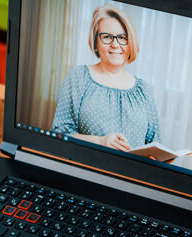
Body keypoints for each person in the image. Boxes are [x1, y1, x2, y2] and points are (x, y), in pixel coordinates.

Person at [52, 5, 161, 152]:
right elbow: (59, 134)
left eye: (122, 37)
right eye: (107, 37)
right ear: (95, 41)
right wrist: (100, 141)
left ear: (130, 43)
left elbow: (154, 144)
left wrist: (160, 157)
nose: (115, 44)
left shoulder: (143, 89)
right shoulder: (78, 77)